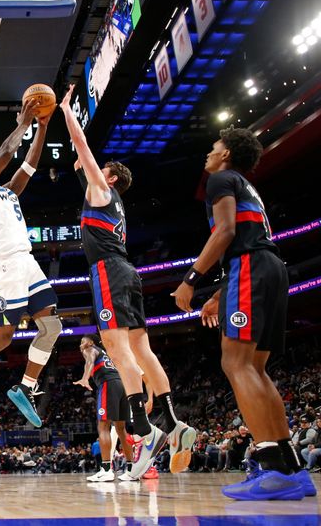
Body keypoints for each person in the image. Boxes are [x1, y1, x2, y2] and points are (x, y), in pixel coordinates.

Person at [59, 84, 196, 480]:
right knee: (141, 349)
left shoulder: (103, 189)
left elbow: (83, 147)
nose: (94, 170)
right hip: (127, 272)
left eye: (102, 169)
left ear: (113, 177)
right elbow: (84, 165)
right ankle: (171, 421)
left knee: (118, 351)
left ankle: (144, 430)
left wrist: (68, 111)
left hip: (108, 271)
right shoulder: (109, 201)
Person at [172, 127, 315, 500]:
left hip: (251, 269)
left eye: (215, 147)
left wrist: (191, 279)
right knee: (254, 367)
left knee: (235, 364)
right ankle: (292, 468)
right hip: (268, 266)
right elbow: (245, 238)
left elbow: (225, 232)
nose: (209, 152)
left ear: (227, 154)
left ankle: (271, 465)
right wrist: (221, 293)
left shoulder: (220, 178)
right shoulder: (244, 185)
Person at [0, 99, 63, 427]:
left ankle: (25, 387)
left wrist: (42, 128)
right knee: (4, 336)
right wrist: (23, 123)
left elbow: (29, 165)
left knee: (53, 326)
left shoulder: (7, 192)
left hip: (27, 263)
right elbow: (5, 154)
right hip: (4, 266)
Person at [74, 335, 135, 482]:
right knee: (121, 429)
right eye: (80, 342)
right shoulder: (105, 354)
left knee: (103, 426)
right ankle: (132, 470)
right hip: (122, 385)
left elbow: (89, 361)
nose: (82, 344)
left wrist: (85, 378)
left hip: (108, 385)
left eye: (84, 341)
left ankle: (107, 470)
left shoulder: (90, 349)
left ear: (92, 342)